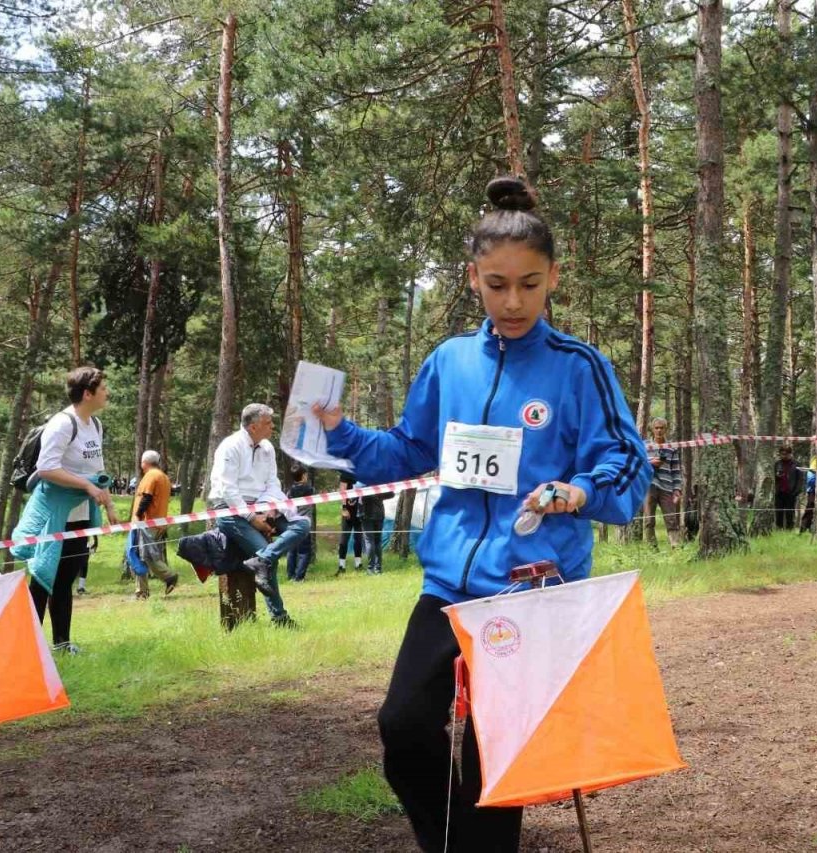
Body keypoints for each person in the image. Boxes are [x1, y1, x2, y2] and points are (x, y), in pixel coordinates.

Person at [312, 177, 651, 853]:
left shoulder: (579, 366)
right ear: (474, 278)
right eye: (497, 284)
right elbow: (409, 449)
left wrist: (580, 491)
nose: (513, 300)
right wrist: (342, 432)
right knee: (403, 728)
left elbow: (625, 464)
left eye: (528, 283)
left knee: (497, 762)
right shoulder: (449, 361)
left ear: (553, 275)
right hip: (446, 586)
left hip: (529, 591)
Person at [15, 366, 118, 654]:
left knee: (66, 578)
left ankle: (62, 643)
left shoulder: (94, 426)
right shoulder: (62, 424)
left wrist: (108, 504)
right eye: (103, 389)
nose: (106, 393)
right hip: (54, 513)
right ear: (88, 394)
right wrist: (85, 487)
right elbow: (46, 469)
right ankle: (28, 647)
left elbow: (98, 472)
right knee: (43, 575)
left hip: (81, 515)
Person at [208, 403, 310, 628]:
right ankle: (279, 617)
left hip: (262, 506)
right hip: (231, 511)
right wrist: (252, 519)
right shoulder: (230, 447)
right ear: (253, 427)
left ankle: (262, 559)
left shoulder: (267, 448)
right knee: (264, 555)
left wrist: (269, 510)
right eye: (268, 423)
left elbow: (272, 482)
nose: (272, 426)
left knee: (302, 525)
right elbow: (228, 490)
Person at [127, 450, 180, 599]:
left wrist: (137, 516)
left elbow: (146, 498)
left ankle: (167, 577)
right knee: (142, 555)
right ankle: (142, 591)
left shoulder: (150, 476)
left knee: (143, 556)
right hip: (158, 523)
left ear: (144, 462)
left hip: (145, 523)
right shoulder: (163, 477)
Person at [643, 417, 682, 548]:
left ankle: (675, 546)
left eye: (662, 428)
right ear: (652, 429)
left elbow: (676, 470)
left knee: (671, 518)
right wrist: (650, 462)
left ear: (666, 429)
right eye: (656, 428)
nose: (659, 430)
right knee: (649, 519)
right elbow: (636, 463)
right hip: (649, 485)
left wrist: (677, 489)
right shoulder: (644, 445)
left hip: (667, 486)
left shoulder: (672, 447)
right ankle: (651, 548)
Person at [286, 464, 314, 582]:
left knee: (291, 551)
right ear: (303, 476)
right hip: (304, 524)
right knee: (304, 552)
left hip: (292, 523)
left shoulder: (290, 491)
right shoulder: (310, 489)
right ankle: (299, 577)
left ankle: (291, 575)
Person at [361, 484, 393, 574]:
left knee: (370, 541)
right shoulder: (380, 478)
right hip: (378, 514)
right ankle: (378, 568)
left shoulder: (364, 481)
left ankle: (371, 568)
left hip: (368, 514)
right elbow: (391, 493)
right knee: (377, 541)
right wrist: (379, 495)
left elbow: (391, 493)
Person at [337, 473, 364, 574]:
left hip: (360, 511)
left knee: (358, 538)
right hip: (348, 511)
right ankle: (341, 566)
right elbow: (342, 489)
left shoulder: (362, 470)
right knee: (344, 538)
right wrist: (344, 508)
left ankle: (358, 564)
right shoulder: (346, 473)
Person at [773, 444, 804, 531]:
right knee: (779, 512)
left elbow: (800, 479)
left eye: (786, 454)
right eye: (782, 454)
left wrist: (796, 492)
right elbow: (773, 478)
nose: (784, 456)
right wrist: (777, 476)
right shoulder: (777, 464)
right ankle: (778, 529)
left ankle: (789, 530)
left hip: (791, 493)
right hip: (779, 492)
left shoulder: (797, 464)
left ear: (790, 454)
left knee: (790, 513)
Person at [798, 467, 817, 533]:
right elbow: (811, 479)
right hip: (812, 491)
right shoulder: (814, 461)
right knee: (809, 509)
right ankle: (803, 529)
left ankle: (812, 529)